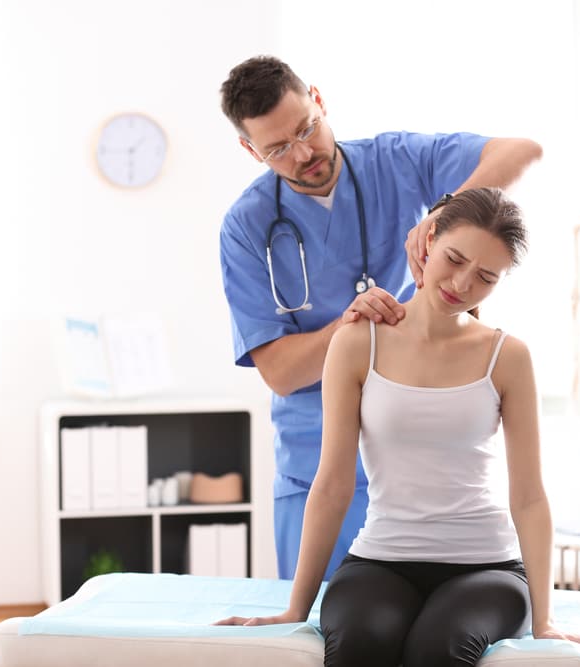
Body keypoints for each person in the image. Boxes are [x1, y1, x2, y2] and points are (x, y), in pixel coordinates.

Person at [217, 188, 580, 666]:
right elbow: (333, 484)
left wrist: (545, 623)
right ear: (428, 242)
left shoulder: (507, 357)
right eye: (455, 259)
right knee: (360, 641)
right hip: (380, 561)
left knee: (438, 649)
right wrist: (293, 610)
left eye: (485, 277)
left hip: (487, 569)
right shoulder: (358, 343)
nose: (462, 284)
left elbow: (528, 496)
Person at [218, 55, 543, 580]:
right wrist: (349, 328)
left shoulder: (394, 162)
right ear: (249, 150)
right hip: (315, 469)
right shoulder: (247, 226)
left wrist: (448, 209)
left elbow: (524, 152)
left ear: (319, 100)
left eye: (307, 128)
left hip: (416, 471)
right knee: (315, 641)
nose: (304, 153)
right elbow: (279, 373)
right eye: (278, 148)